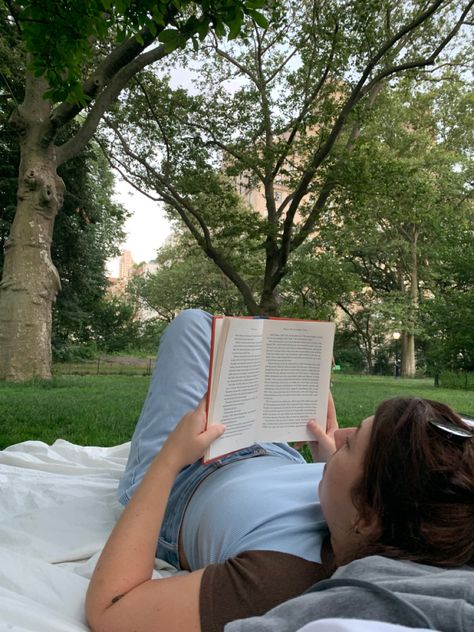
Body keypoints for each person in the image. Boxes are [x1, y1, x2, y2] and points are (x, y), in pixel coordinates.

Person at [85, 309, 474, 632]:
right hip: (274, 455)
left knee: (190, 324)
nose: (343, 434)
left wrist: (169, 460)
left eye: (353, 444)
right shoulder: (388, 520)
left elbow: (113, 608)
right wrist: (329, 461)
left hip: (188, 476)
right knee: (221, 331)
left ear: (368, 516)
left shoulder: (279, 581)